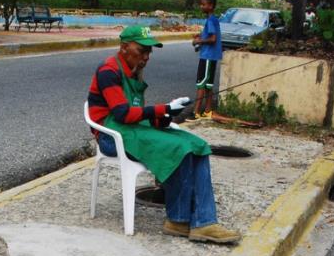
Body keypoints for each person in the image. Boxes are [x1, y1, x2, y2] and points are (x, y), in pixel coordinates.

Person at [87, 25, 241, 244]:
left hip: (131, 129)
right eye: (142, 50)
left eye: (149, 52)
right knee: (179, 147)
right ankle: (180, 219)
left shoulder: (134, 71)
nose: (146, 57)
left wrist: (168, 113)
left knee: (197, 144)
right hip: (111, 137)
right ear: (124, 48)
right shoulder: (108, 71)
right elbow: (122, 113)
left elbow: (139, 112)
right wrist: (162, 109)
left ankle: (202, 222)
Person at [187, 0, 222, 122]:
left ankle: (196, 111)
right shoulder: (212, 20)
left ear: (211, 6)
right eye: (201, 4)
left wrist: (199, 41)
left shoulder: (211, 20)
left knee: (201, 84)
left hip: (208, 56)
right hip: (211, 56)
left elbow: (213, 39)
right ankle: (207, 110)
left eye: (204, 5)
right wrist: (200, 35)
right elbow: (211, 35)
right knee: (208, 85)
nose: (202, 7)